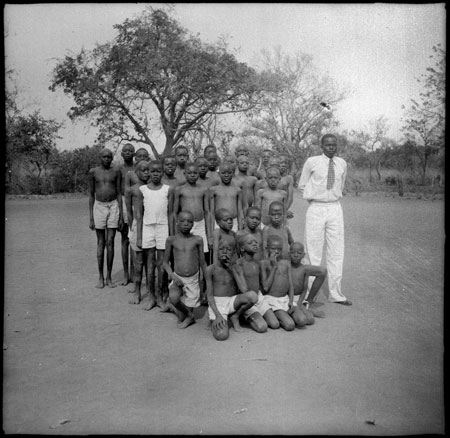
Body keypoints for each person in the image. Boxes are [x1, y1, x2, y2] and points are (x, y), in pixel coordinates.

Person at [298, 133, 352, 305]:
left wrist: (331, 199)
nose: (331, 147)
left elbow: (341, 185)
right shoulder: (312, 162)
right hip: (316, 207)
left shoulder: (342, 163)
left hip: (335, 207)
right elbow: (302, 185)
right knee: (312, 251)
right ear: (321, 146)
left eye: (334, 144)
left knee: (336, 251)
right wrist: (315, 200)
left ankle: (336, 294)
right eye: (327, 145)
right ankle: (309, 295)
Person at [205, 234, 258, 340]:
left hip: (232, 302)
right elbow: (209, 296)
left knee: (253, 296)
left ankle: (235, 316)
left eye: (228, 249)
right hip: (218, 304)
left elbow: (244, 290)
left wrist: (232, 269)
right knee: (222, 335)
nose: (225, 252)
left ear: (233, 253)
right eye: (221, 249)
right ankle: (217, 318)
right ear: (217, 251)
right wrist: (218, 315)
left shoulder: (236, 267)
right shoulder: (210, 269)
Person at [163, 211, 207, 329]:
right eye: (182, 221)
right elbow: (165, 263)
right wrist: (172, 276)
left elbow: (202, 262)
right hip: (178, 277)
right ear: (177, 222)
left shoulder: (197, 240)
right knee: (174, 298)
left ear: (193, 224)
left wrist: (206, 283)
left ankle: (172, 308)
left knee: (180, 316)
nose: (186, 224)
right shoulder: (171, 240)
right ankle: (189, 315)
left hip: (193, 279)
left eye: (189, 221)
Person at [136, 160, 171, 310]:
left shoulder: (168, 189)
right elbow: (139, 214)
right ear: (148, 172)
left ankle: (162, 295)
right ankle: (151, 297)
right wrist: (139, 236)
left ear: (162, 173)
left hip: (163, 227)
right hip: (147, 228)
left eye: (158, 171)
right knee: (149, 264)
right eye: (153, 171)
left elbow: (170, 213)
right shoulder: (142, 190)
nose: (155, 174)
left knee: (161, 264)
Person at [88, 148, 123, 289]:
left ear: (112, 158)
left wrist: (120, 215)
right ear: (100, 158)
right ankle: (100, 277)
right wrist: (91, 217)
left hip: (113, 205)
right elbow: (91, 194)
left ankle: (109, 277)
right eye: (104, 157)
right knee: (100, 242)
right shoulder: (93, 172)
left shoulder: (116, 171)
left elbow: (119, 193)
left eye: (109, 157)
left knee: (110, 242)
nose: (107, 159)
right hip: (99, 206)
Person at [232, 233, 271, 333]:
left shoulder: (257, 262)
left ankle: (254, 315)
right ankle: (240, 314)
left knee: (274, 323)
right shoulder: (239, 263)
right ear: (242, 248)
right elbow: (243, 289)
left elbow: (263, 285)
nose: (255, 244)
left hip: (259, 296)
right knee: (262, 327)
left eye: (256, 242)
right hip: (248, 300)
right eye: (250, 243)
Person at [173, 162, 211, 261]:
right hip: (184, 224)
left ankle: (203, 276)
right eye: (190, 173)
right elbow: (174, 212)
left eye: (195, 173)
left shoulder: (204, 189)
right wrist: (175, 229)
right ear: (184, 174)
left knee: (204, 252)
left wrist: (209, 233)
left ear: (198, 174)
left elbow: (207, 211)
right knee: (185, 252)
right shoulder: (179, 190)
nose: (192, 175)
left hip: (200, 223)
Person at [125, 160, 150, 304]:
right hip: (137, 224)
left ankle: (150, 289)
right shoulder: (132, 189)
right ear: (137, 172)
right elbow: (129, 211)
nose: (146, 173)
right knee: (138, 260)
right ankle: (137, 290)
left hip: (150, 224)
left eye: (148, 170)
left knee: (150, 260)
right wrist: (132, 228)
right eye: (143, 170)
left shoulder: (152, 187)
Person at [260, 235, 295, 331]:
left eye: (279, 249)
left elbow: (291, 286)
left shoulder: (286, 263)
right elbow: (266, 287)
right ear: (267, 249)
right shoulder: (264, 263)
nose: (276, 251)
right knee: (289, 325)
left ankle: (280, 315)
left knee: (303, 320)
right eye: (273, 248)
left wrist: (291, 301)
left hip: (285, 299)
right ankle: (273, 313)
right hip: (272, 299)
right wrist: (274, 267)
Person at [289, 242, 326, 322]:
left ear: (303, 255)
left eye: (299, 253)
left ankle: (308, 304)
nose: (296, 255)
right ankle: (299, 311)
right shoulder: (286, 266)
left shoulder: (304, 269)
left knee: (310, 320)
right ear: (289, 253)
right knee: (301, 320)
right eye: (293, 253)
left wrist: (300, 302)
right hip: (288, 298)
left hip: (299, 298)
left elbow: (304, 289)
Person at [209, 162, 243, 235]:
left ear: (233, 173)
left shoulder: (237, 190)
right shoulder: (213, 190)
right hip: (218, 223)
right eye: (223, 173)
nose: (226, 175)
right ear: (219, 174)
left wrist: (240, 229)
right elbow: (211, 212)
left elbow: (240, 211)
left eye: (229, 173)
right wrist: (212, 230)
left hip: (233, 222)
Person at [118, 143, 135, 286]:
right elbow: (118, 191)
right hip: (124, 203)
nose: (128, 153)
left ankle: (135, 273)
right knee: (125, 238)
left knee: (135, 239)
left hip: (137, 202)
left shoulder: (139, 168)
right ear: (122, 154)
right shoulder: (119, 169)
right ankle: (125, 274)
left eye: (131, 151)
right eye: (126, 151)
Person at [161, 155, 181, 235]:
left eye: (172, 164)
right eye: (167, 164)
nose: (170, 166)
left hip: (175, 216)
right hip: (161, 216)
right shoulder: (159, 182)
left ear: (176, 166)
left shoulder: (178, 183)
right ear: (162, 166)